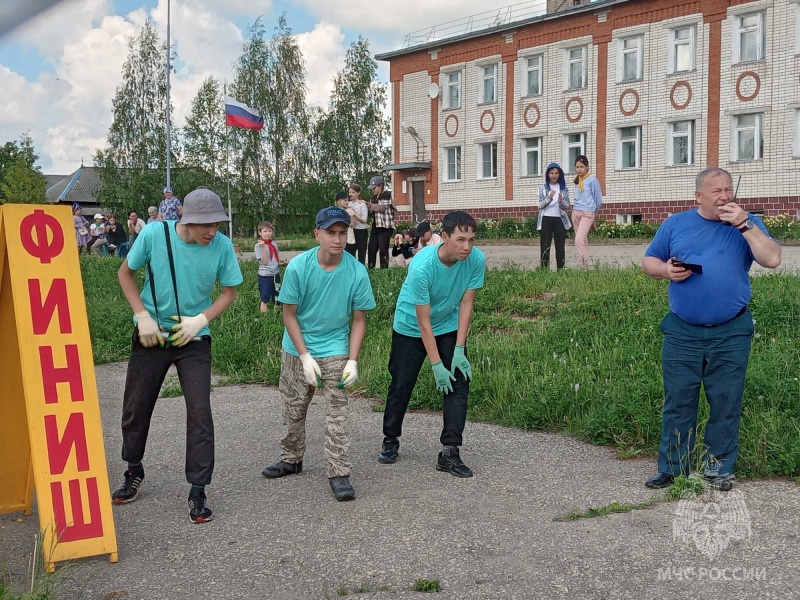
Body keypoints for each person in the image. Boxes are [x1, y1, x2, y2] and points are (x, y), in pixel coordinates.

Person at [641, 167, 781, 492]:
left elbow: (772, 259)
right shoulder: (676, 223)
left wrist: (744, 224)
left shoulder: (747, 225)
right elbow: (648, 261)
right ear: (698, 196)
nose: (724, 196)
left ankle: (718, 469)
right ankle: (673, 469)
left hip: (731, 331)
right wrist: (665, 270)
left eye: (728, 189)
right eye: (716, 191)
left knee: (725, 401)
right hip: (682, 331)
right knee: (678, 400)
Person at [112, 187, 243, 523]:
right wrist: (142, 316)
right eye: (206, 225)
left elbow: (230, 292)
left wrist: (201, 320)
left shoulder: (221, 246)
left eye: (217, 225)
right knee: (136, 406)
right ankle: (133, 469)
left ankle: (198, 490)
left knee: (200, 411)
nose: (212, 232)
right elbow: (125, 273)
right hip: (152, 335)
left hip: (193, 336)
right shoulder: (155, 233)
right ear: (187, 219)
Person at [262, 206, 376, 502]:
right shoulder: (299, 267)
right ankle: (291, 459)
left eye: (342, 233)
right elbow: (289, 315)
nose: (337, 239)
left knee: (337, 413)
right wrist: (304, 356)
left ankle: (339, 472)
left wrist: (352, 359)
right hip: (297, 347)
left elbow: (359, 319)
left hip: (335, 347)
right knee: (294, 409)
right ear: (317, 234)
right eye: (330, 233)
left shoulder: (356, 271)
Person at [378, 210, 485, 478]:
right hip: (411, 326)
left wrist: (459, 350)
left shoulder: (475, 260)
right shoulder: (422, 265)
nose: (467, 247)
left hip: (448, 324)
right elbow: (423, 322)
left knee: (458, 382)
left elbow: (466, 303)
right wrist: (436, 364)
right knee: (402, 384)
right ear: (444, 237)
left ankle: (450, 452)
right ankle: (390, 439)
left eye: (471, 240)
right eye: (460, 240)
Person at [537, 163, 572, 270]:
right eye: (551, 173)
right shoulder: (542, 187)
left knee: (560, 246)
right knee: (545, 246)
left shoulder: (563, 188)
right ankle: (544, 269)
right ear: (548, 174)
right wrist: (549, 198)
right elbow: (539, 205)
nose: (554, 175)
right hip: (546, 219)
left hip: (559, 219)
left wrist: (561, 201)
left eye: (556, 173)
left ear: (559, 174)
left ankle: (560, 269)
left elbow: (567, 205)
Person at [571, 155, 602, 268]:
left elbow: (598, 199)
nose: (579, 169)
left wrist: (594, 214)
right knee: (582, 239)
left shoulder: (592, 180)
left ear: (587, 167)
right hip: (576, 212)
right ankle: (582, 263)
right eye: (577, 167)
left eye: (582, 167)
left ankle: (585, 266)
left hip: (588, 212)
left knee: (578, 239)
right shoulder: (577, 180)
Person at [366, 175, 395, 269]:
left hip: (385, 227)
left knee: (383, 249)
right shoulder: (373, 198)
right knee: (371, 248)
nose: (373, 190)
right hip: (375, 226)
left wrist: (369, 205)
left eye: (374, 188)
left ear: (380, 186)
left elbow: (381, 208)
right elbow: (371, 211)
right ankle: (371, 267)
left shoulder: (386, 195)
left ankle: (384, 269)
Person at [255, 220, 281, 313]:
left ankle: (276, 315)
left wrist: (281, 264)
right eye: (265, 231)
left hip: (275, 274)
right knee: (265, 298)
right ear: (260, 232)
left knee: (277, 296)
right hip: (265, 276)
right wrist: (262, 248)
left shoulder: (274, 245)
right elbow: (264, 262)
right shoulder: (258, 246)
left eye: (270, 231)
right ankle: (264, 319)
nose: (268, 233)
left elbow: (274, 261)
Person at [347, 184, 369, 264]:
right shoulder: (348, 204)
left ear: (358, 193)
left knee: (361, 252)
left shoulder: (362, 205)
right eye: (349, 192)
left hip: (361, 231)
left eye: (353, 192)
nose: (350, 194)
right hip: (352, 231)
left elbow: (364, 220)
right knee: (351, 252)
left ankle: (362, 269)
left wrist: (354, 213)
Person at [335, 191, 358, 257]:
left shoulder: (348, 211)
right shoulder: (335, 212)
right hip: (340, 239)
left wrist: (352, 215)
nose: (347, 202)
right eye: (345, 200)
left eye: (347, 200)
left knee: (351, 258)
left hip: (350, 239)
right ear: (339, 202)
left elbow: (353, 225)